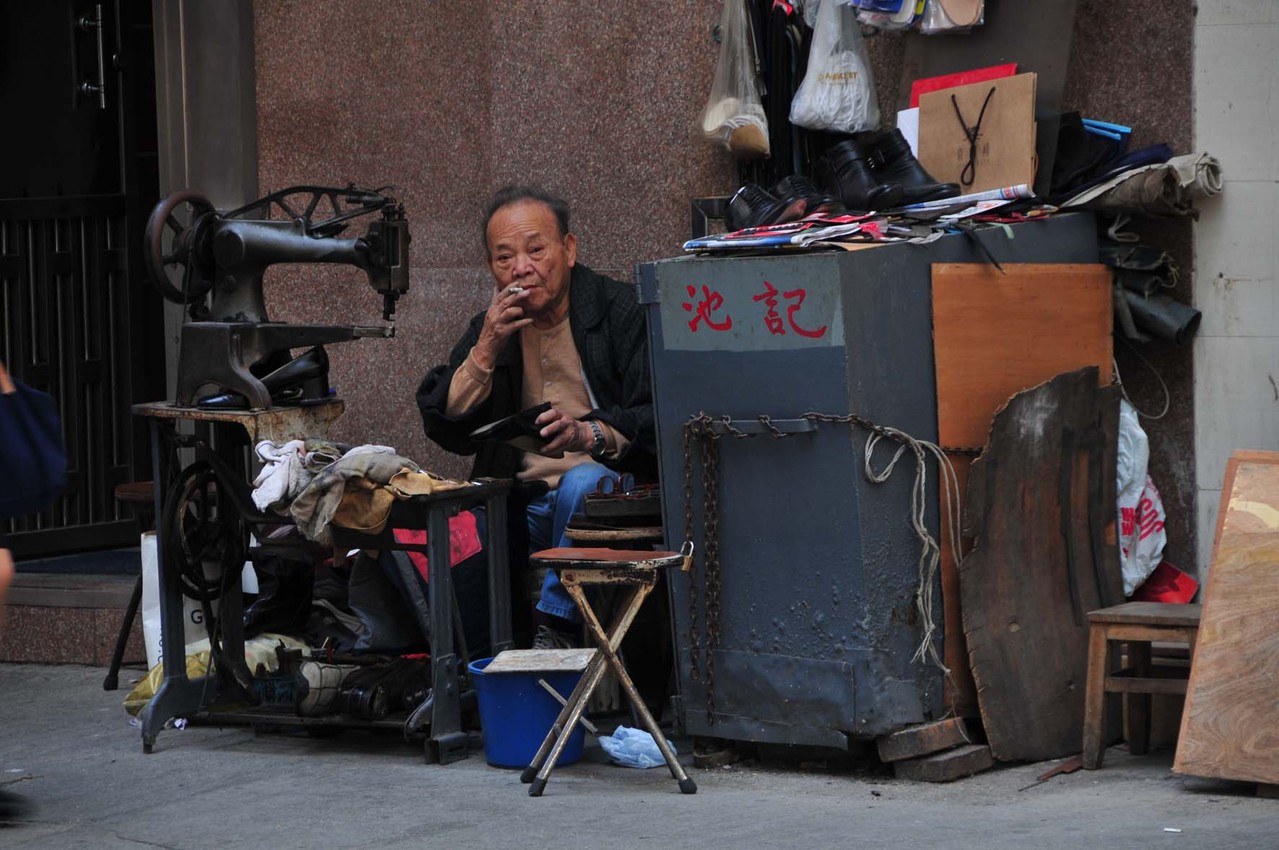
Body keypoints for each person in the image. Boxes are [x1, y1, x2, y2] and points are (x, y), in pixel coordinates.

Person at [416, 186, 656, 649]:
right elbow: (446, 424)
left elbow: (653, 416)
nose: (521, 269)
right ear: (491, 268)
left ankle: (558, 625)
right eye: (504, 258)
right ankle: (473, 664)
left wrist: (587, 433)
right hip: (524, 500)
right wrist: (486, 347)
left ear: (568, 250)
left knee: (581, 482)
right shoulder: (495, 326)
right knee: (462, 519)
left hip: (608, 494)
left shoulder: (621, 310)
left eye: (536, 250)